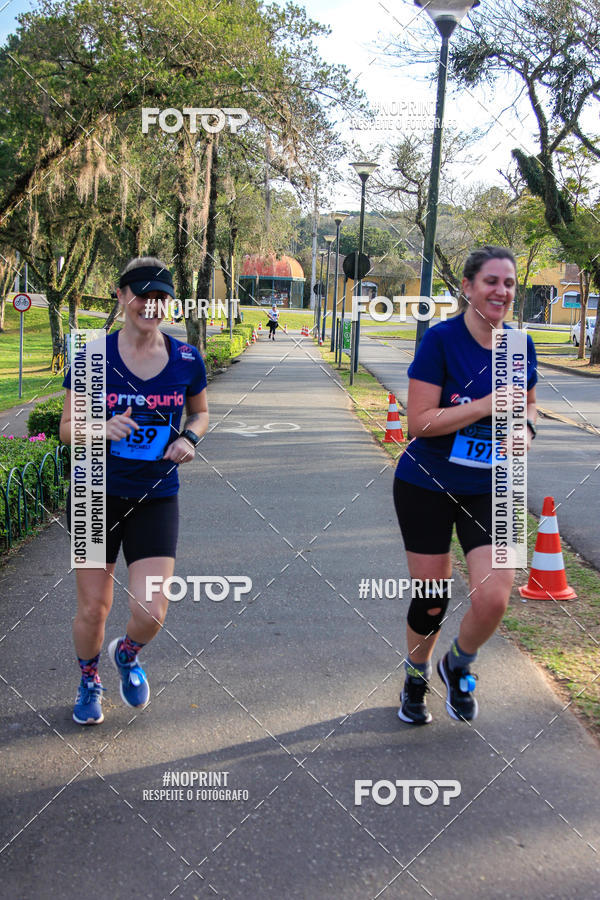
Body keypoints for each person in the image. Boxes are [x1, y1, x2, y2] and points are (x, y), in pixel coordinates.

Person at [60, 257, 209, 725]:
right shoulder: (91, 356)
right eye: (141, 294)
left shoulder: (186, 358)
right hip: (93, 495)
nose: (151, 304)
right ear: (122, 296)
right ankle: (90, 679)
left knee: (151, 611)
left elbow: (200, 414)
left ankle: (126, 654)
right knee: (93, 607)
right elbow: (66, 429)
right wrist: (100, 428)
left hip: (156, 495)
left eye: (161, 296)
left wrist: (189, 438)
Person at [394, 246, 537, 725]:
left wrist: (526, 428)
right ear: (469, 287)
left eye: (509, 284)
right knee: (433, 596)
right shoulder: (441, 341)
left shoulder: (519, 345)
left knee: (496, 595)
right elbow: (418, 422)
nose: (501, 291)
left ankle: (458, 663)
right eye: (491, 281)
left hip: (497, 483)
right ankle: (416, 673)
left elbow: (530, 403)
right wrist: (483, 406)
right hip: (427, 482)